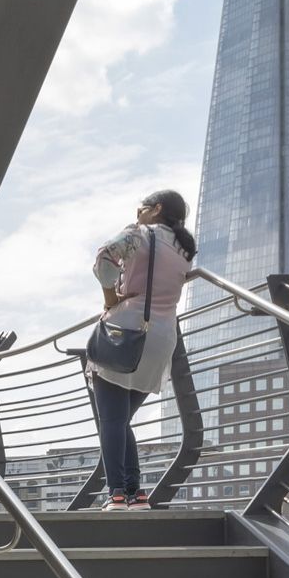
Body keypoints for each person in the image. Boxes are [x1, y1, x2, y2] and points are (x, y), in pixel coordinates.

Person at [86, 189, 196, 508]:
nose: (137, 215)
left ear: (155, 209)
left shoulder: (141, 234)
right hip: (162, 340)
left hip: (127, 330)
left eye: (140, 209)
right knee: (120, 419)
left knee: (110, 419)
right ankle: (136, 494)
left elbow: (104, 258)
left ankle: (116, 493)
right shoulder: (183, 248)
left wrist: (110, 297)